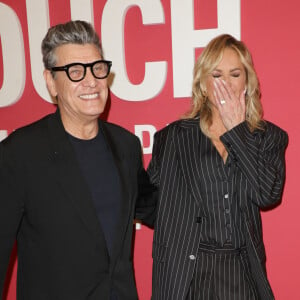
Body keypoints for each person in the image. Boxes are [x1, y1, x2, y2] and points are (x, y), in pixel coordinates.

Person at [0, 20, 155, 300]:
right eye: (75, 71)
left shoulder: (126, 145)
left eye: (97, 68)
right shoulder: (18, 154)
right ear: (51, 82)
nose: (91, 81)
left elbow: (156, 209)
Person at [147, 34, 288, 300]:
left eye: (235, 74)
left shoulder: (268, 137)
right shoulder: (173, 138)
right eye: (217, 74)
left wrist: (237, 129)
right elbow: (151, 205)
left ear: (247, 81)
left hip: (242, 272)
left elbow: (267, 194)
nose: (226, 83)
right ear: (202, 83)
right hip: (189, 274)